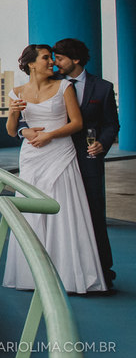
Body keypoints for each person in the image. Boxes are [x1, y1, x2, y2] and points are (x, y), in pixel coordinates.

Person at [3, 44, 104, 294]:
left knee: (64, 210)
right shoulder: (16, 93)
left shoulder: (64, 87)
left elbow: (77, 123)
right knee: (31, 211)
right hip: (31, 157)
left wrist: (50, 136)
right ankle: (30, 275)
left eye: (52, 58)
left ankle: (69, 275)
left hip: (60, 153)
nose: (52, 63)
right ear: (31, 64)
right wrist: (17, 121)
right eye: (46, 58)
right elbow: (11, 129)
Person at [48, 37, 119, 292]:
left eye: (60, 58)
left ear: (76, 59)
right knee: (61, 217)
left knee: (94, 215)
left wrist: (103, 143)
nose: (55, 63)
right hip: (57, 157)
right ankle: (61, 270)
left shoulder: (102, 88)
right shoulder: (51, 85)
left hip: (88, 160)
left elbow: (112, 124)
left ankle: (103, 271)